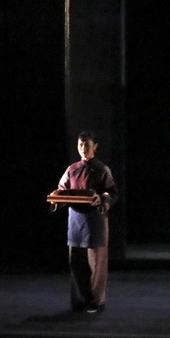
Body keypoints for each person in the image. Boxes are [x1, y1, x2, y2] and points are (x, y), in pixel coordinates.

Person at [52, 130, 120, 314]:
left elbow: (112, 192)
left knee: (95, 264)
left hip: (95, 220)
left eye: (87, 145)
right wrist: (57, 197)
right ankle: (80, 300)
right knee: (76, 261)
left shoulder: (102, 169)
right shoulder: (72, 169)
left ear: (94, 147)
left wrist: (101, 199)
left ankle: (94, 301)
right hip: (76, 220)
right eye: (80, 145)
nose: (83, 148)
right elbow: (62, 189)